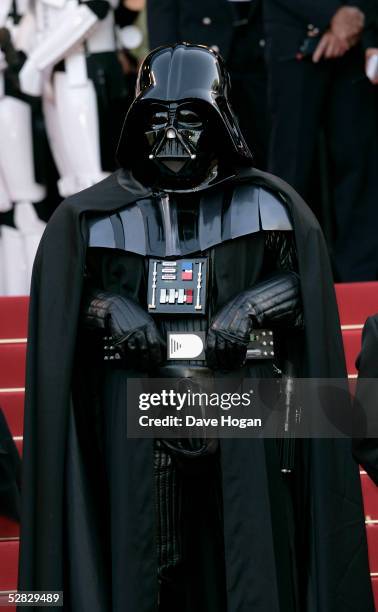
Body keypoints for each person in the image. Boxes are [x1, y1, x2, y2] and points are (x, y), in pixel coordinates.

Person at [18, 44, 374, 611]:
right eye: (158, 120)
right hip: (135, 404)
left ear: (218, 120)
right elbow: (62, 304)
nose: (173, 137)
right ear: (137, 124)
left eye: (190, 119)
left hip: (242, 398)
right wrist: (108, 307)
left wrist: (253, 306)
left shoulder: (270, 205)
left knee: (245, 553)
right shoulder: (89, 217)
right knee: (152, 561)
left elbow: (302, 287)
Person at [264, 0, 378, 281]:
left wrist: (359, 19)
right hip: (295, 35)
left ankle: (361, 285)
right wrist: (332, 16)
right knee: (291, 173)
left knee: (361, 170)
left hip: (361, 42)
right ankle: (286, 281)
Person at [147, 0, 268, 169]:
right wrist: (167, 66)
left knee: (263, 147)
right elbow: (162, 13)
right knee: (200, 150)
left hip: (259, 50)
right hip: (199, 57)